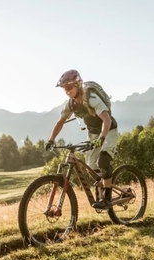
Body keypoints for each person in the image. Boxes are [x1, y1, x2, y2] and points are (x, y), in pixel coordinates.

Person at [45, 69, 119, 209]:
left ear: (78, 84)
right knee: (93, 169)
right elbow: (60, 122)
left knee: (103, 160)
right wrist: (51, 140)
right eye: (64, 89)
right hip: (93, 135)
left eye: (68, 87)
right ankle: (101, 190)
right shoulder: (71, 104)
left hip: (108, 131)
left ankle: (107, 200)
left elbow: (106, 119)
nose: (66, 91)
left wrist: (102, 138)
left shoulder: (91, 98)